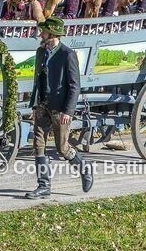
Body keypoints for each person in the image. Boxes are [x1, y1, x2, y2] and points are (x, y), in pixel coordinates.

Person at [24, 17, 94, 199]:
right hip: (42, 105)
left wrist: (68, 111)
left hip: (60, 108)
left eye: (44, 32)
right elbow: (37, 81)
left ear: (53, 34)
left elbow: (74, 86)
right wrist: (34, 104)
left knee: (62, 147)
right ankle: (43, 186)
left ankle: (84, 168)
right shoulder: (41, 52)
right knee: (38, 144)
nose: (41, 34)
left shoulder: (67, 54)